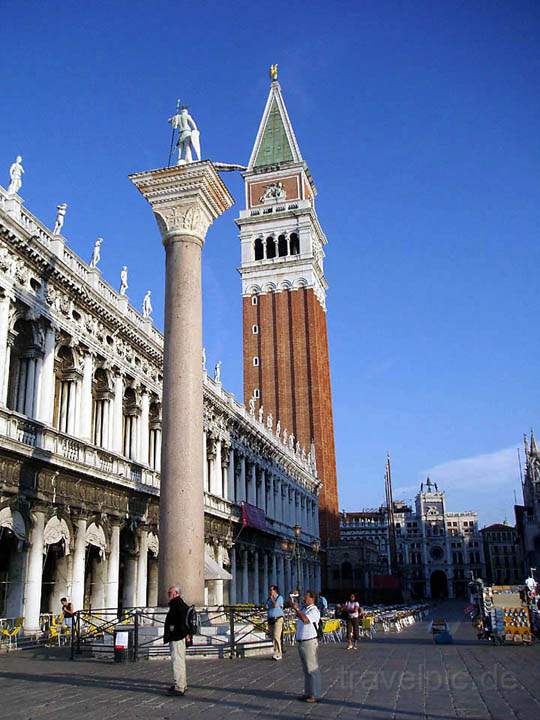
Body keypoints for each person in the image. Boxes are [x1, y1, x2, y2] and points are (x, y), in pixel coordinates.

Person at [292, 590, 321, 703]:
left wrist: (297, 609)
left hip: (309, 641)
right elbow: (300, 616)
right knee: (306, 669)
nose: (304, 599)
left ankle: (315, 694)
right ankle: (308, 692)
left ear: (312, 599)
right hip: (301, 641)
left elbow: (305, 620)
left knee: (312, 668)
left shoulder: (314, 610)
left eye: (306, 597)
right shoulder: (305, 609)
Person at [163, 585, 191, 696]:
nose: (168, 595)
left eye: (169, 593)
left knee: (177, 661)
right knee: (180, 660)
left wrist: (175, 633)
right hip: (179, 636)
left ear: (175, 593)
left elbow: (179, 623)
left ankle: (179, 687)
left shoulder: (177, 605)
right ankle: (182, 684)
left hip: (177, 637)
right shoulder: (181, 604)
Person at [266, 585, 284, 660]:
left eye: (271, 590)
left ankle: (279, 653)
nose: (270, 591)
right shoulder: (269, 598)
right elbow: (266, 606)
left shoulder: (279, 598)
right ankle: (275, 652)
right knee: (273, 636)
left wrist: (272, 598)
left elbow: (275, 605)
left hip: (278, 619)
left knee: (277, 635)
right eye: (270, 590)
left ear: (275, 590)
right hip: (271, 619)